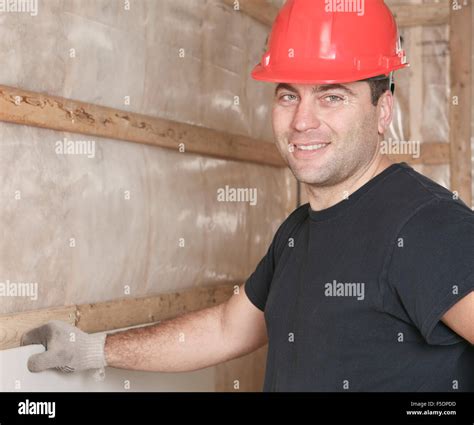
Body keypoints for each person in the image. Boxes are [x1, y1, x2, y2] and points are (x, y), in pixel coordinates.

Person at [21, 0, 473, 391]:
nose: (302, 121)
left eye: (331, 97)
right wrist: (93, 349)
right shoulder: (298, 230)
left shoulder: (428, 226)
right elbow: (225, 329)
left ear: (383, 110)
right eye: (288, 96)